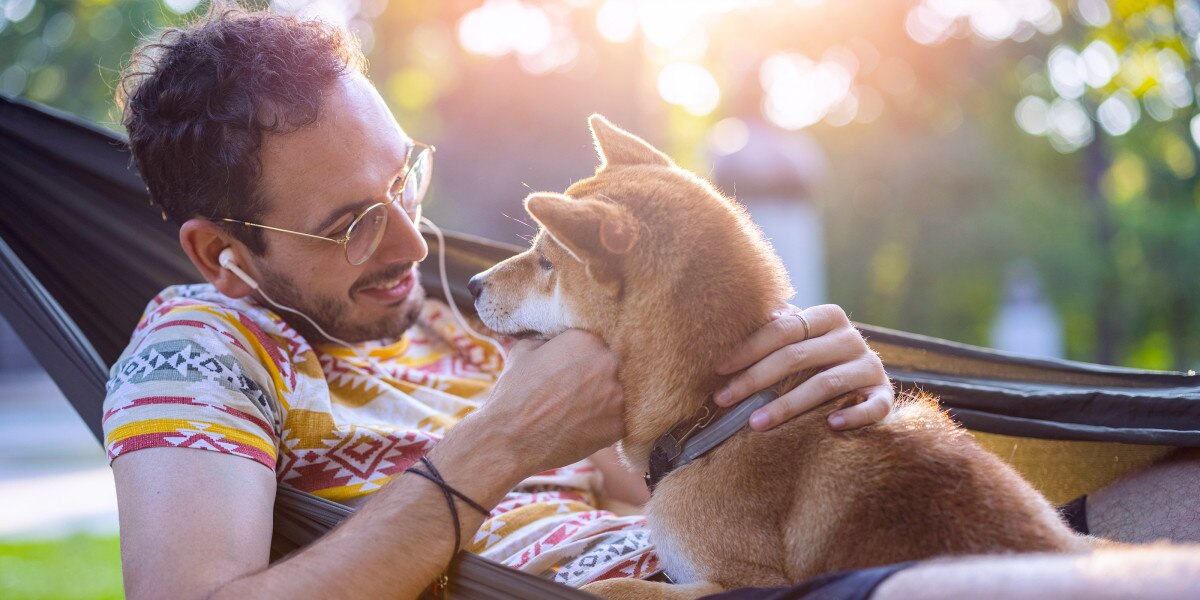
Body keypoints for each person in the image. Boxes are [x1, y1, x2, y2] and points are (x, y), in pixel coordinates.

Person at [104, 7, 895, 599]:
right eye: (352, 226)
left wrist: (812, 402)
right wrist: (504, 439)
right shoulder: (203, 347)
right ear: (222, 254)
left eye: (403, 180)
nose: (413, 245)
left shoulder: (465, 330)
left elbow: (675, 497)